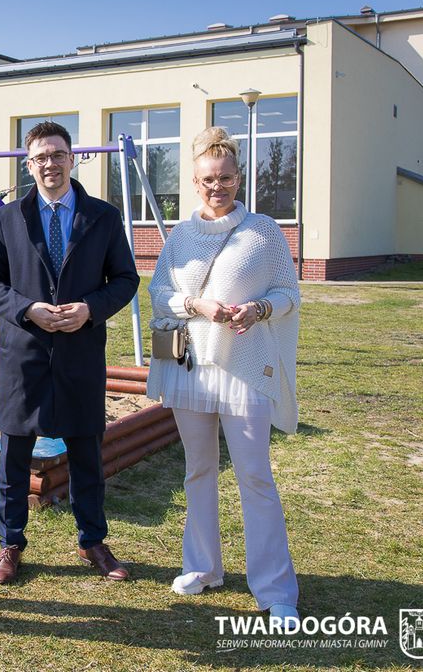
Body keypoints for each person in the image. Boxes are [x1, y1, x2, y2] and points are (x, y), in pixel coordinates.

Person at [146, 126, 301, 626]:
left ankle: (276, 589)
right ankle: (203, 566)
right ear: (195, 181)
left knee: (255, 476)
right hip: (192, 368)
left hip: (244, 367)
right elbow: (158, 293)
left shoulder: (264, 231)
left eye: (227, 177)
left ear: (239, 178)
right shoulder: (181, 236)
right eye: (209, 179)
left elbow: (289, 294)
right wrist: (194, 303)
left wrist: (258, 308)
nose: (219, 187)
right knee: (198, 471)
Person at [0, 121, 139, 585]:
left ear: (73, 158)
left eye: (58, 154)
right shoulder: (7, 219)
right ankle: (10, 543)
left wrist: (90, 309)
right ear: (30, 165)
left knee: (87, 452)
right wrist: (28, 309)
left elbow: (126, 280)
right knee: (13, 457)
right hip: (23, 355)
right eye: (40, 157)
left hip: (81, 353)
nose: (50, 163)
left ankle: (92, 541)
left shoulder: (103, 217)